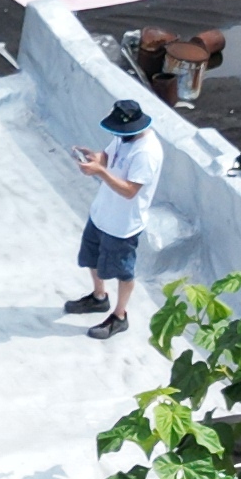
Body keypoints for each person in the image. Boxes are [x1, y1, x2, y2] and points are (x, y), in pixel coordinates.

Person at [66, 98, 161, 340]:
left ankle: (120, 316)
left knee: (123, 271)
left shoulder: (146, 153)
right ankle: (99, 298)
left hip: (123, 226)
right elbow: (108, 157)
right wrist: (96, 159)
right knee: (91, 256)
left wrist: (100, 172)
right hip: (102, 214)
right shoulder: (124, 136)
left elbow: (130, 191)